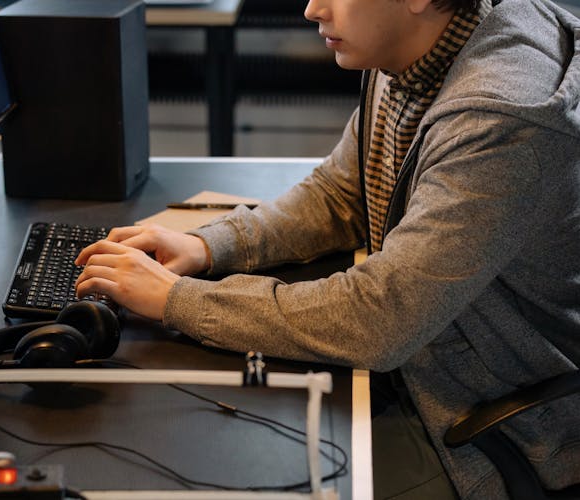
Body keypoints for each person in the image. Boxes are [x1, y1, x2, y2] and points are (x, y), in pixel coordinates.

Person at [74, 0, 580, 497]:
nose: (312, 10)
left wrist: (176, 300)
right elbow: (343, 193)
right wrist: (207, 246)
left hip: (485, 425)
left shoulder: (501, 120)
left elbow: (380, 318)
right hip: (422, 357)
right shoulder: (412, 49)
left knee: (249, 478)